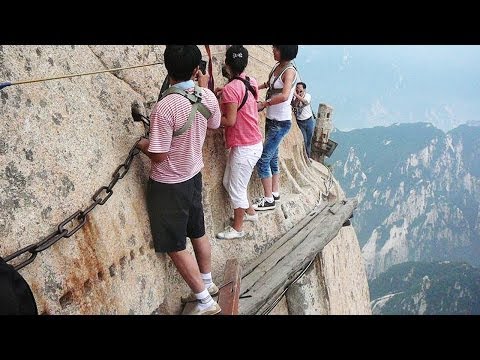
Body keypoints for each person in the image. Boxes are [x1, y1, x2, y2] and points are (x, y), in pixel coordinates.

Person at [136, 45, 222, 315]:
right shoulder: (206, 96)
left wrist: (141, 144)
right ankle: (208, 282)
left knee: (174, 244)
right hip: (193, 174)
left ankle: (205, 301)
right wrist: (202, 87)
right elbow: (215, 124)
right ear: (197, 70)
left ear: (166, 67)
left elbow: (159, 155)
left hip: (169, 184)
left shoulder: (165, 107)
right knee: (197, 231)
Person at [214, 45, 263, 240]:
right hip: (251, 142)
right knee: (229, 182)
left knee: (236, 188)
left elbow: (230, 121)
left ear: (227, 64)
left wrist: (212, 120)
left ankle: (237, 228)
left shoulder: (230, 89)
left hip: (245, 147)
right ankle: (250, 213)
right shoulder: (251, 82)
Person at [254, 45, 298, 210]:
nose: (273, 50)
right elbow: (271, 84)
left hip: (280, 122)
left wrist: (265, 103)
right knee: (272, 158)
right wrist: (255, 87)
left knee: (263, 159)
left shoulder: (289, 71)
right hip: (272, 120)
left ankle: (268, 199)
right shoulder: (278, 66)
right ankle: (275, 192)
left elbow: (285, 95)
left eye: (276, 48)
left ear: (284, 51)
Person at [292, 82, 315, 158]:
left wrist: (296, 95)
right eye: (297, 90)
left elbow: (305, 102)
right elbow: (294, 105)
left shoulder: (308, 96)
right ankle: (305, 157)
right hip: (300, 122)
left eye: (301, 91)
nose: (299, 92)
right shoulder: (295, 98)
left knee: (309, 140)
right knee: (304, 140)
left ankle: (308, 157)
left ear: (304, 90)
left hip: (308, 121)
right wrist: (296, 97)